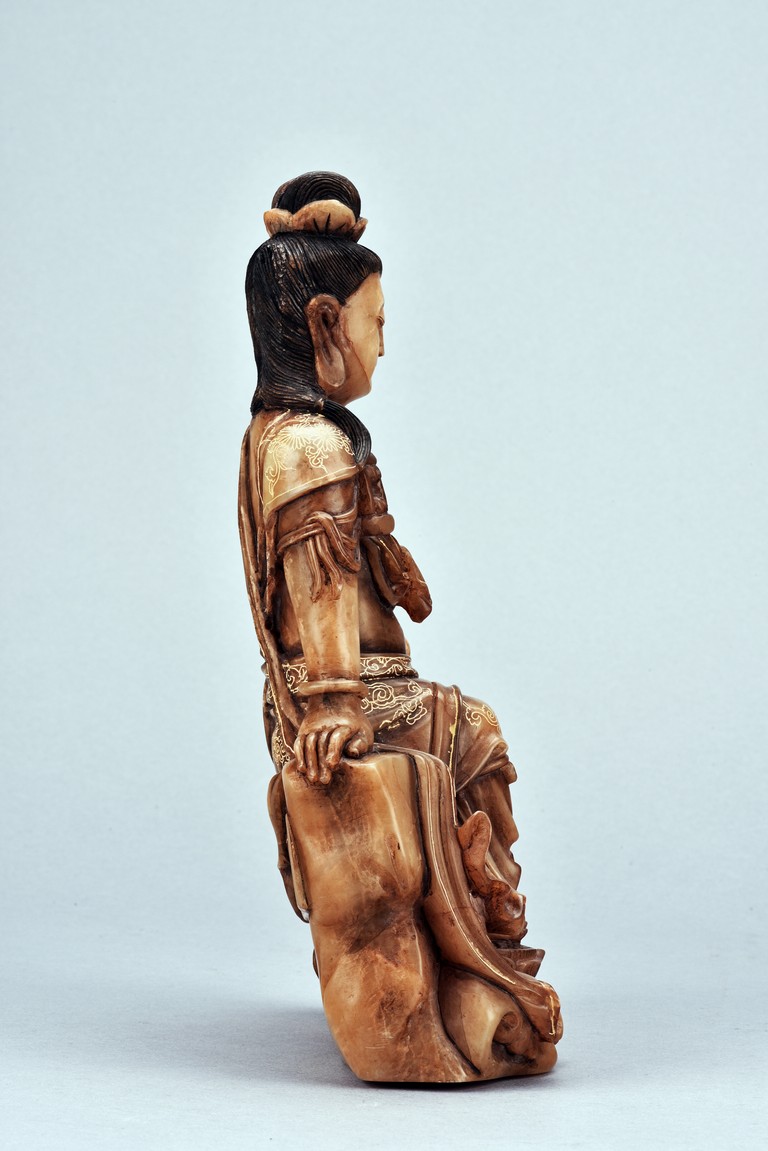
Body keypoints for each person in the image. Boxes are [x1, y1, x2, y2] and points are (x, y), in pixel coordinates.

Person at [239, 172, 562, 1082]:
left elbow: (362, 577)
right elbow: (317, 588)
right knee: (478, 733)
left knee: (469, 733)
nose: (385, 344)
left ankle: (479, 922)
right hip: (334, 701)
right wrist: (336, 701)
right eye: (376, 323)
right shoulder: (309, 447)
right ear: (325, 325)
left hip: (346, 690)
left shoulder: (301, 435)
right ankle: (486, 930)